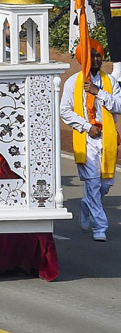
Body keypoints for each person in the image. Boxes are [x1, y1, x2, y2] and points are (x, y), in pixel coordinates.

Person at [60, 38, 121, 241]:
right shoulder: (73, 83)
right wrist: (87, 127)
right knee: (93, 183)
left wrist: (99, 93)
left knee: (105, 185)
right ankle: (100, 227)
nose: (96, 59)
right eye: (91, 56)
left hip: (108, 138)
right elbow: (64, 112)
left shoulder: (110, 81)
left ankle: (87, 204)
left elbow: (119, 106)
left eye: (98, 55)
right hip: (86, 139)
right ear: (83, 59)